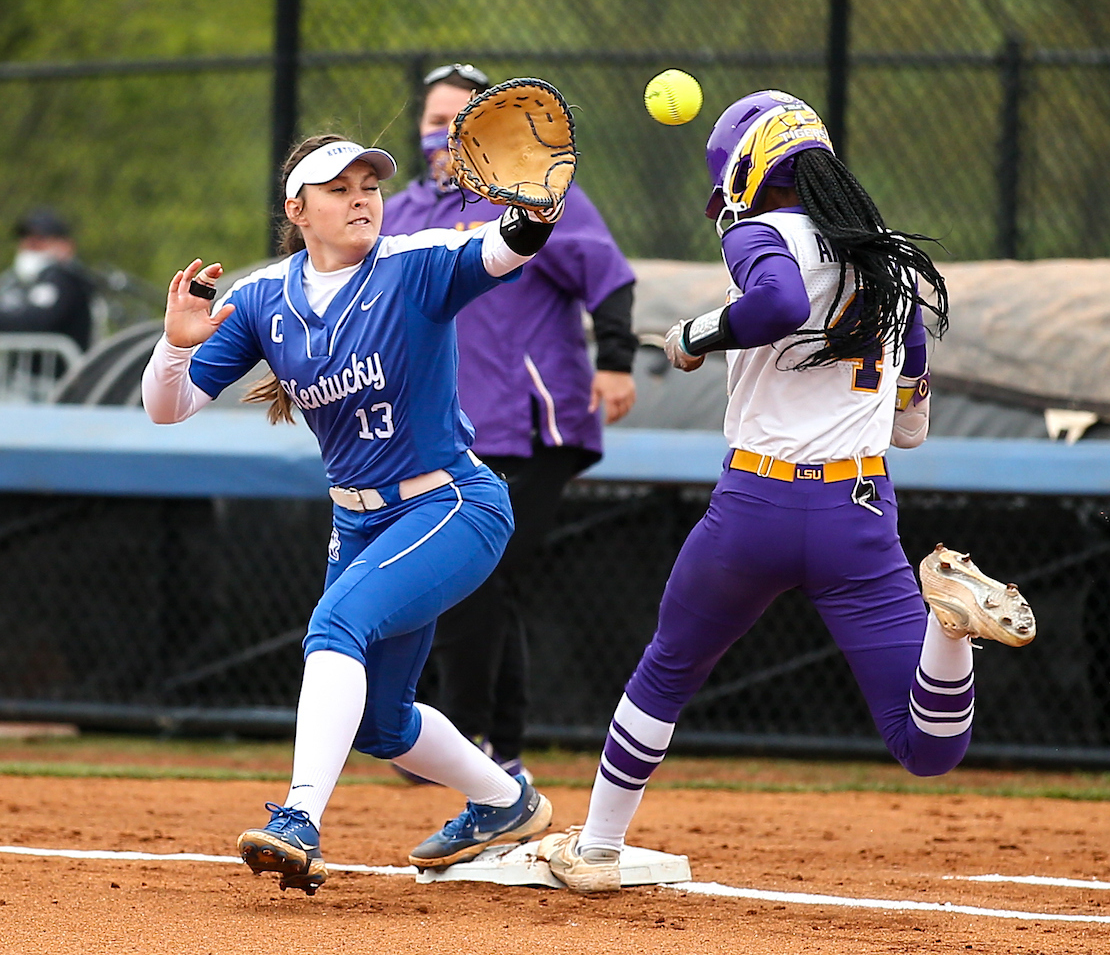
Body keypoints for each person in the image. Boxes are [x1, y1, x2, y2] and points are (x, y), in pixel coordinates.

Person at [538, 91, 1036, 892]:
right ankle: (952, 626)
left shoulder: (761, 232)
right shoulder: (890, 263)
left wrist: (695, 333)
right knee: (927, 748)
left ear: (748, 168)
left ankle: (596, 850)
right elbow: (910, 430)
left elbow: (777, 303)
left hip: (757, 508)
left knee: (667, 671)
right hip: (859, 513)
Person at [141, 133, 566, 895]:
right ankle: (507, 802)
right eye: (339, 188)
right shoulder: (264, 299)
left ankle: (298, 818)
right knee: (380, 724)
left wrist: (536, 206)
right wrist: (173, 347)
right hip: (359, 522)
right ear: (297, 210)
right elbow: (166, 409)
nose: (362, 195)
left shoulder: (413, 266)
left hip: (452, 504)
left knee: (335, 627)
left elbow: (506, 248)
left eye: (369, 183)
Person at [380, 62, 638, 781]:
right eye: (434, 118)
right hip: (436, 436)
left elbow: (608, 275)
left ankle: (462, 743)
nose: (443, 131)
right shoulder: (399, 212)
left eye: (460, 117)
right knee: (482, 584)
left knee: (472, 577)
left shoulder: (534, 196)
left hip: (531, 427)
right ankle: (501, 753)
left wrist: (615, 359)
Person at [0, 208, 94, 352]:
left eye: (39, 240)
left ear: (65, 245)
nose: (30, 245)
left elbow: (38, 322)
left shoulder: (65, 280)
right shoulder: (15, 281)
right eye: (26, 239)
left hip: (62, 373)